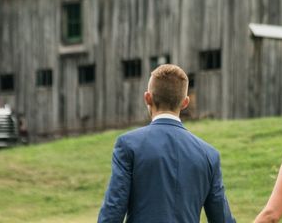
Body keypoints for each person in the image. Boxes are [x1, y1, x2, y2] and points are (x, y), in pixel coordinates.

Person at [97, 64, 236, 223]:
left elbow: (113, 210)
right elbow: (222, 219)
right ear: (185, 103)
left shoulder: (128, 145)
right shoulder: (209, 155)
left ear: (148, 98)